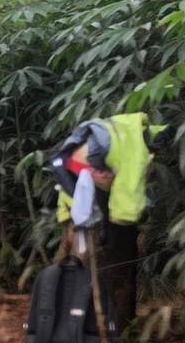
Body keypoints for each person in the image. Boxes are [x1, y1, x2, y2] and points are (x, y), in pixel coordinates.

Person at [48, 113, 170, 331]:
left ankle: (53, 310)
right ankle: (93, 330)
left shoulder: (123, 128)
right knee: (93, 267)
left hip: (73, 193)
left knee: (70, 262)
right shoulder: (137, 148)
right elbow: (125, 203)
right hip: (85, 206)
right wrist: (119, 233)